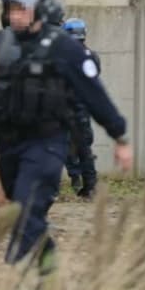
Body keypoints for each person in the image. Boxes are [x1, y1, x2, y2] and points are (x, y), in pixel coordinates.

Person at [0, 0, 132, 273]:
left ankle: (19, 269)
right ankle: (47, 266)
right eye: (10, 9)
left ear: (38, 9)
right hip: (11, 145)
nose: (14, 16)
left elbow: (95, 94)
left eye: (21, 9)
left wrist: (119, 136)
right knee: (20, 210)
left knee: (28, 205)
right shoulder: (1, 43)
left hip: (47, 143)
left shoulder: (63, 47)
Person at [62, 17, 100, 198]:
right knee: (85, 148)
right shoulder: (92, 56)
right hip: (84, 108)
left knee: (60, 146)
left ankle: (74, 179)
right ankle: (90, 186)